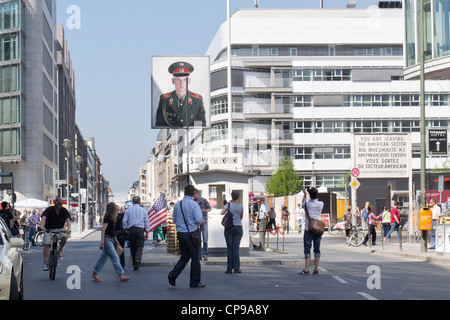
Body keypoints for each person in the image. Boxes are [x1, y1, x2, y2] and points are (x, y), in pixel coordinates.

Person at [168, 184, 205, 288]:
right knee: (195, 259)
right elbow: (198, 219)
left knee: (184, 257)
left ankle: (173, 274)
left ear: (184, 193)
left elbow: (174, 220)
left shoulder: (177, 205)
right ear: (193, 194)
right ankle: (195, 282)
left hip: (181, 234)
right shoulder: (194, 205)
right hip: (192, 234)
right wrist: (201, 221)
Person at [155, 61, 206, 127]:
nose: (181, 83)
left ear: (189, 81)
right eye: (178, 80)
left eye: (184, 80)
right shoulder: (164, 99)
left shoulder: (197, 100)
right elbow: (160, 124)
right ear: (173, 81)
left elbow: (200, 125)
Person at [91, 202, 131, 282]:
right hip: (107, 239)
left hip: (111, 239)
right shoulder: (108, 217)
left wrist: (115, 240)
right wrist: (102, 242)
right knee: (115, 257)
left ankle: (94, 273)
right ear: (112, 209)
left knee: (103, 258)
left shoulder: (112, 218)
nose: (117, 209)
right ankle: (121, 274)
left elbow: (111, 231)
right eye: (115, 208)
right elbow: (103, 230)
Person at [40, 198, 71, 271]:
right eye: (58, 203)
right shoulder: (49, 209)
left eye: (61, 203)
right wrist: (42, 226)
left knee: (64, 237)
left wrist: (68, 228)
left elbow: (68, 220)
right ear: (55, 203)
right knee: (47, 244)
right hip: (49, 230)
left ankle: (60, 250)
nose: (60, 205)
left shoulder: (64, 210)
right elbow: (44, 217)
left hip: (60, 229)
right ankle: (45, 262)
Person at [300, 187, 324, 275]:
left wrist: (304, 193)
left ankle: (306, 269)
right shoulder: (321, 204)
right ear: (317, 195)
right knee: (317, 249)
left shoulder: (306, 205)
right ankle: (316, 268)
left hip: (308, 229)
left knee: (307, 249)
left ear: (309, 195)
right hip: (318, 229)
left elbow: (302, 202)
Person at [122, 196, 150, 270]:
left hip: (131, 230)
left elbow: (124, 221)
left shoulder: (129, 210)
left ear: (133, 202)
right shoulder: (143, 210)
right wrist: (147, 232)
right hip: (140, 230)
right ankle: (138, 258)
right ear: (139, 202)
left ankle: (135, 261)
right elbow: (146, 221)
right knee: (140, 246)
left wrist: (126, 228)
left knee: (133, 246)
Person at [221, 190, 244, 274]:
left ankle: (229, 268)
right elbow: (241, 217)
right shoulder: (241, 206)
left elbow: (221, 213)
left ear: (231, 196)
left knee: (229, 248)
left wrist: (227, 207)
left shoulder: (228, 205)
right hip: (238, 227)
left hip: (229, 228)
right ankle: (237, 268)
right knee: (236, 248)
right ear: (238, 197)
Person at [193, 188, 211, 261]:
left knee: (205, 239)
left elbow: (209, 208)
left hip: (204, 221)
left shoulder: (203, 200)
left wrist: (205, 210)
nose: (194, 196)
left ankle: (205, 255)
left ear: (197, 193)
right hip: (196, 223)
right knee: (198, 240)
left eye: (195, 194)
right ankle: (199, 255)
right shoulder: (193, 202)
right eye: (193, 195)